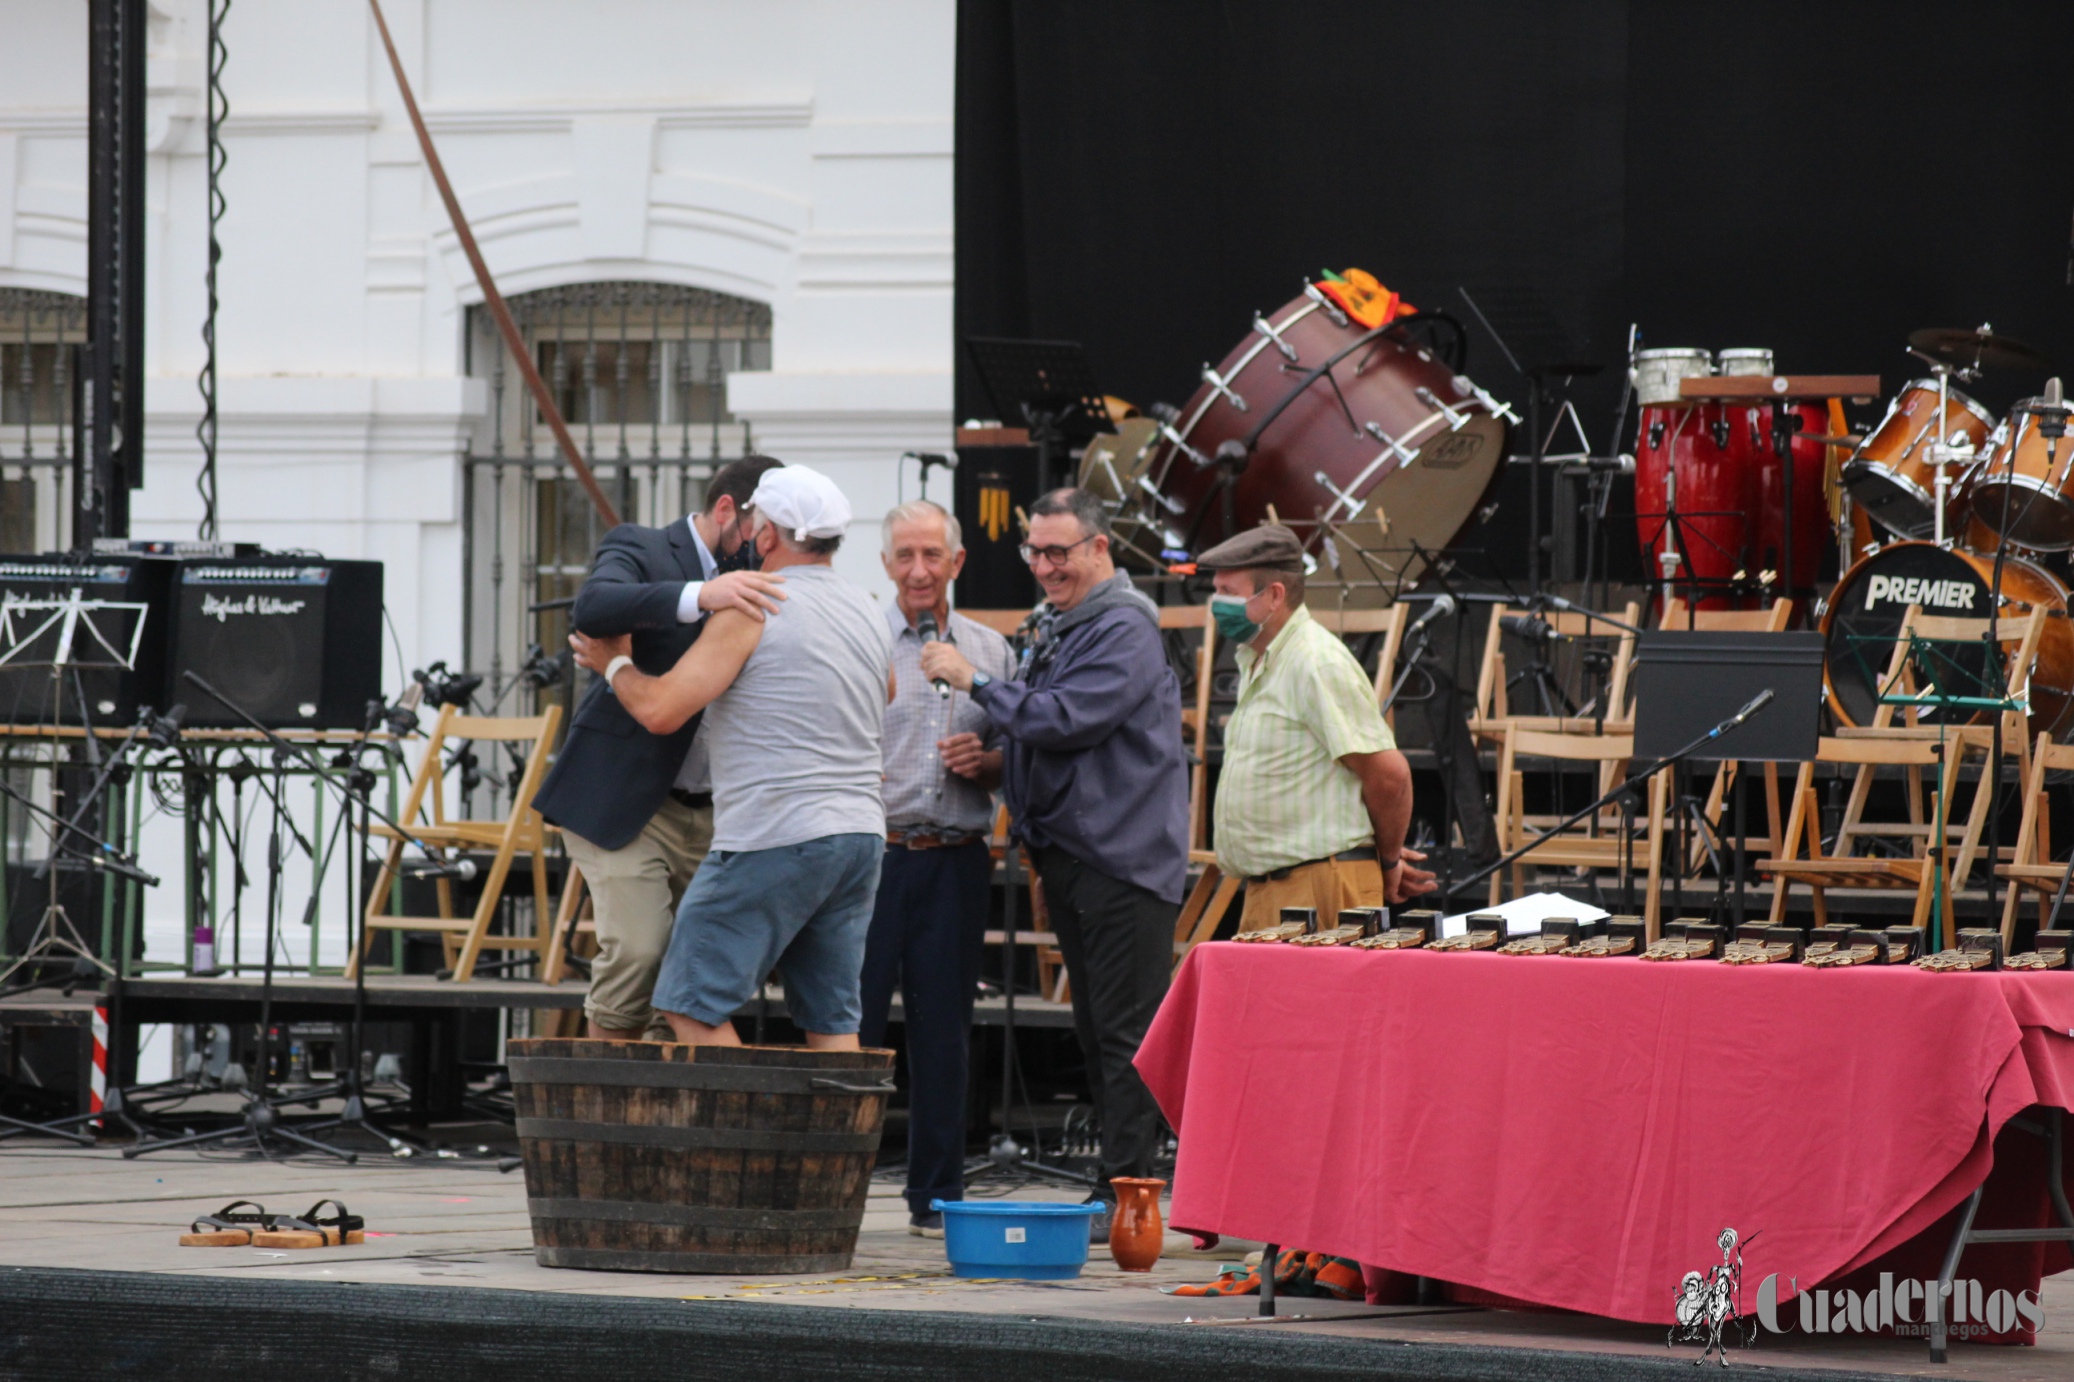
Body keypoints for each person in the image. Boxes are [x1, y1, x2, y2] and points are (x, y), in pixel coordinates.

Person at [919, 487, 1186, 1225]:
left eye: (1058, 552)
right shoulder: (1069, 623)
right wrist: (998, 760)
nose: (1044, 566)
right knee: (1101, 1029)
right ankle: (1128, 1184)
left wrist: (977, 682)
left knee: (1126, 1034)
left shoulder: (1123, 627)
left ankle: (1128, 1192)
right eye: (1034, 552)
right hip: (1076, 853)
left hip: (1120, 862)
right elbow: (1064, 733)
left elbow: (1070, 719)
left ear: (1100, 548)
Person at [568, 465, 893, 1049]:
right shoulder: (866, 606)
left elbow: (663, 709)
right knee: (832, 1019)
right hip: (860, 833)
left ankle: (750, 1138)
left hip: (775, 831)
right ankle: (831, 1145)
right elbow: (886, 690)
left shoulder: (752, 607)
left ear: (766, 536)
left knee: (688, 1006)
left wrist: (614, 663)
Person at [533, 455, 785, 1040]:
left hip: (718, 811)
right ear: (727, 509)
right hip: (625, 800)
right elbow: (592, 609)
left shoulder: (770, 574)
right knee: (639, 950)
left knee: (694, 978)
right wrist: (702, 594)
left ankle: (666, 1121)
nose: (763, 546)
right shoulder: (642, 545)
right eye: (759, 530)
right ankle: (598, 1118)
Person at [866, 500, 1015, 1238]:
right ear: (886, 563)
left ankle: (934, 1198)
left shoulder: (993, 653)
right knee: (850, 1029)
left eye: (932, 555)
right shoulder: (860, 642)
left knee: (943, 1035)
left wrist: (985, 764)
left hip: (955, 860)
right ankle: (831, 1186)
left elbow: (1021, 754)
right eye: (904, 556)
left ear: (957, 562)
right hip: (870, 862)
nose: (918, 570)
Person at [1196, 523, 1437, 930]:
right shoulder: (1262, 659)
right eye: (1216, 591)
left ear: (1274, 595)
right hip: (1276, 889)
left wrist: (1389, 858)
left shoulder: (1314, 661)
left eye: (1228, 593)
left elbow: (1389, 776)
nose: (1216, 604)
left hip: (1315, 889)